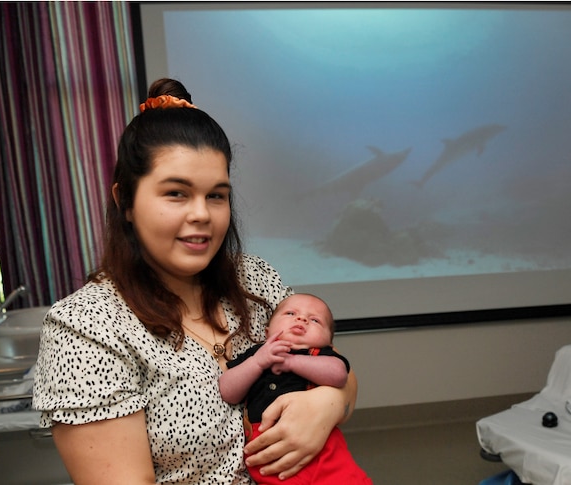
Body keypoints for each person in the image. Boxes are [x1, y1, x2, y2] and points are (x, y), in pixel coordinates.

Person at [32, 78, 357, 484]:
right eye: (176, 194)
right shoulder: (85, 327)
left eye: (216, 195)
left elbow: (337, 367)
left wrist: (327, 404)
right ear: (124, 202)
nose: (203, 214)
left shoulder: (254, 278)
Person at [220, 292, 372, 484]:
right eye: (290, 314)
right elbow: (227, 391)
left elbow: (339, 375)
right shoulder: (257, 354)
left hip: (321, 446)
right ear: (267, 332)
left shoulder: (319, 355)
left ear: (329, 342)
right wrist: (257, 363)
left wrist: (291, 362)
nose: (302, 319)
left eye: (315, 320)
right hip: (265, 444)